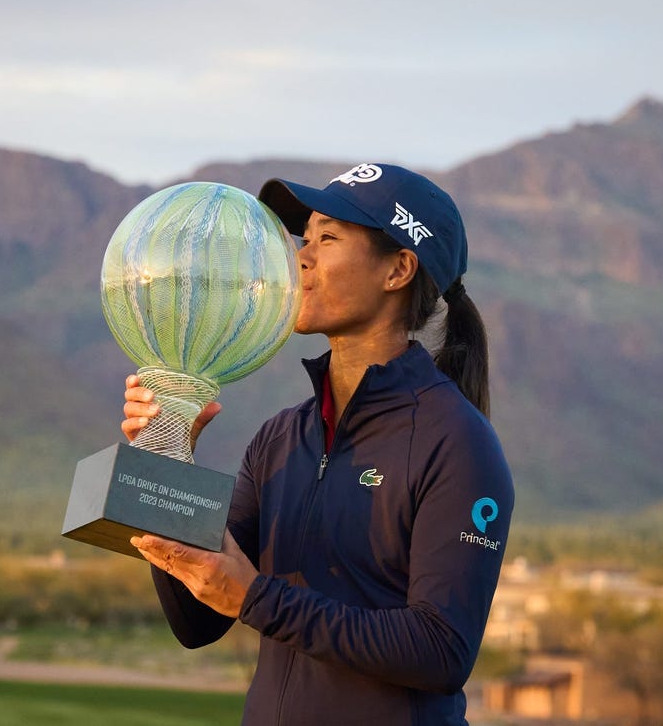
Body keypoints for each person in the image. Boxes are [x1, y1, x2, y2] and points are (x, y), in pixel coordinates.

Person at [123, 163, 514, 725]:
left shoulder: (457, 441)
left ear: (398, 269)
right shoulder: (281, 438)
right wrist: (165, 457)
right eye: (303, 239)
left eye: (327, 239)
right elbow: (198, 622)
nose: (300, 257)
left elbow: (442, 650)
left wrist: (257, 597)